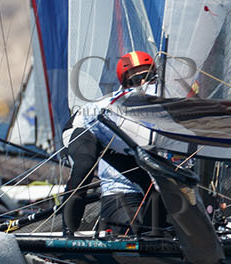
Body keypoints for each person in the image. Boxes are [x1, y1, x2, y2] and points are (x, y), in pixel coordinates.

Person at [59, 51, 158, 236]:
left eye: (149, 77)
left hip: (118, 143)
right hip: (84, 128)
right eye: (136, 80)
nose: (144, 83)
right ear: (126, 85)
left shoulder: (164, 93)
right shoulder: (128, 97)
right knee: (85, 165)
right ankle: (68, 232)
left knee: (152, 185)